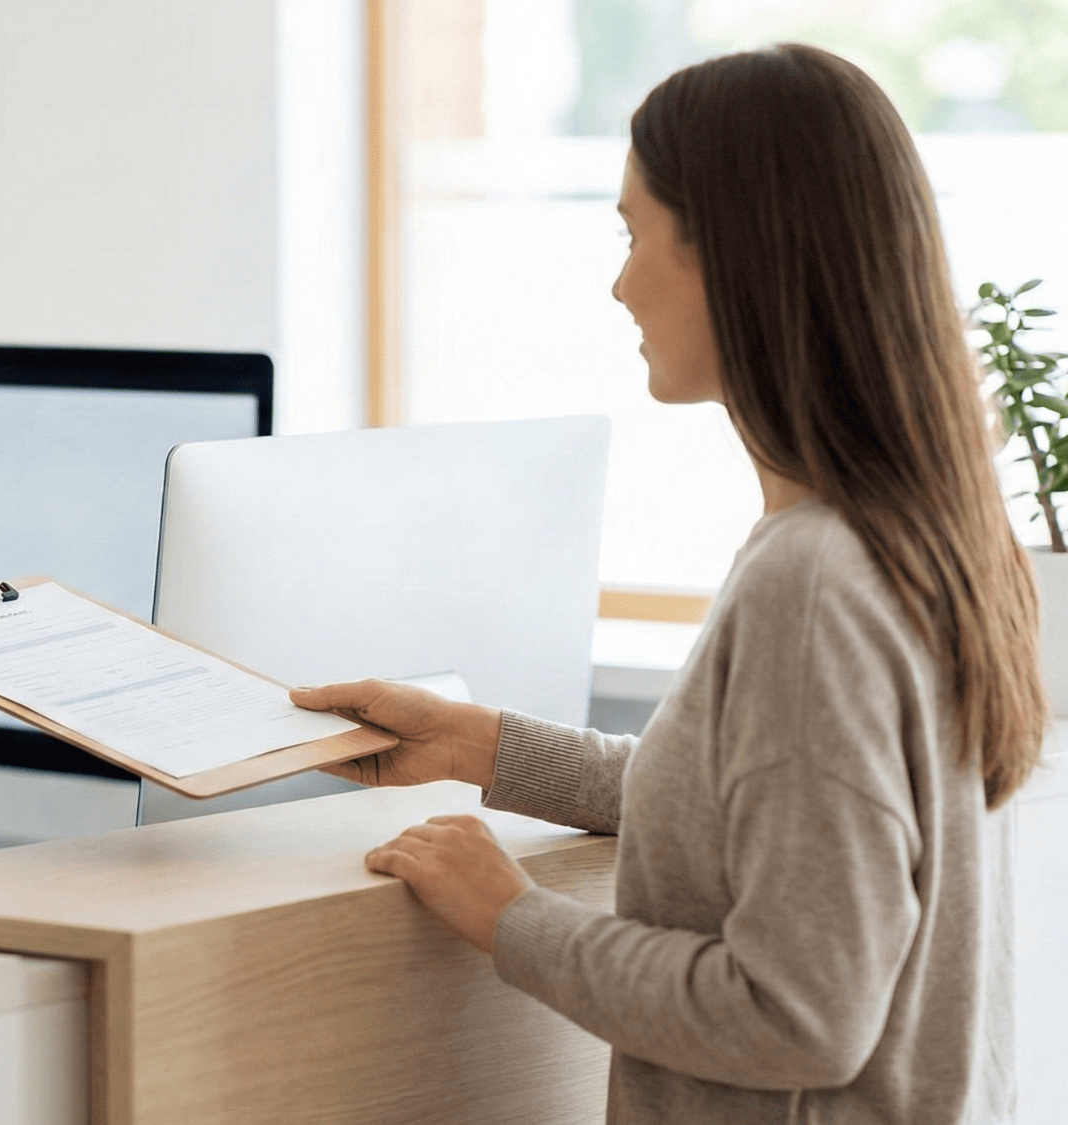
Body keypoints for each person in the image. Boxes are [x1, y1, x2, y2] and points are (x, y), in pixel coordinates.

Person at [293, 44, 1043, 1124]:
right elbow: (784, 819)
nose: (617, 279)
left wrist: (512, 916)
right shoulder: (922, 538)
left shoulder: (812, 582)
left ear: (736, 255)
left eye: (633, 232)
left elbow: (794, 1016)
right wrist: (487, 749)